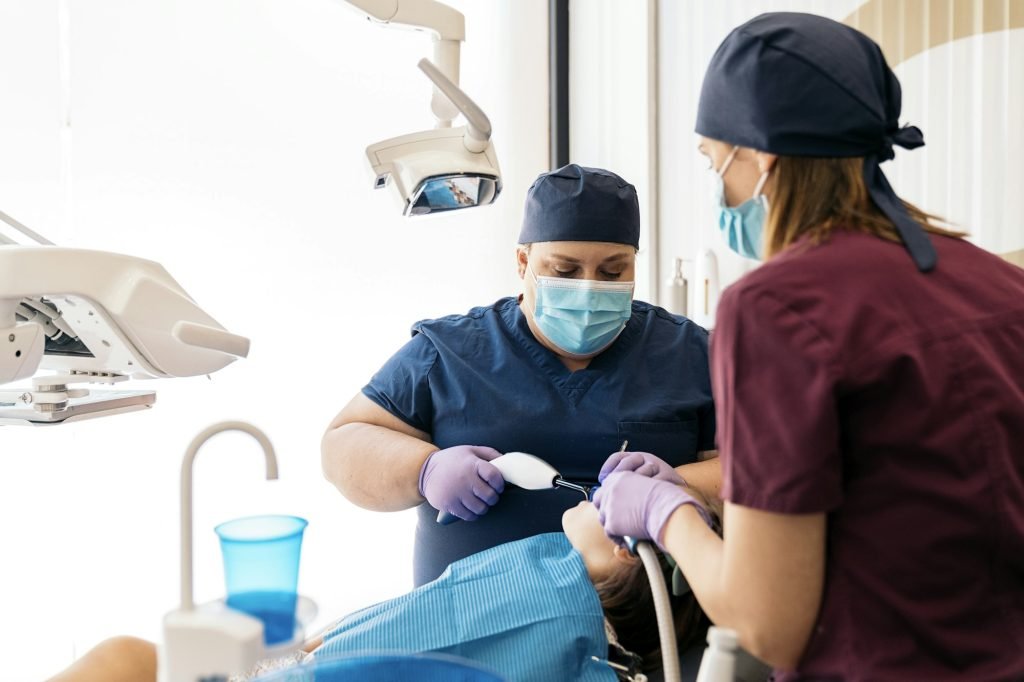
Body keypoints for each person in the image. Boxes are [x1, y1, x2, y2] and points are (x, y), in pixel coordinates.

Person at [594, 11, 1024, 681]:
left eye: (715, 162)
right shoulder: (999, 283)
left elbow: (770, 623)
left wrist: (666, 512)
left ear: (759, 156)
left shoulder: (775, 308)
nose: (719, 187)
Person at [322, 164, 719, 586]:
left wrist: (680, 484)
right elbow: (342, 445)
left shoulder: (691, 354)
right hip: (472, 630)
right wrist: (424, 470)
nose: (588, 289)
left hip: (649, 638)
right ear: (523, 261)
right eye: (565, 271)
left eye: (612, 271)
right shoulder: (451, 352)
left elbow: (767, 475)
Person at [47, 494, 718, 682]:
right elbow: (404, 624)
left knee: (122, 659)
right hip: (293, 666)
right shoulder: (546, 562)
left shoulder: (574, 634)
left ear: (638, 570)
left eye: (629, 516)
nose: (612, 497)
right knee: (127, 655)